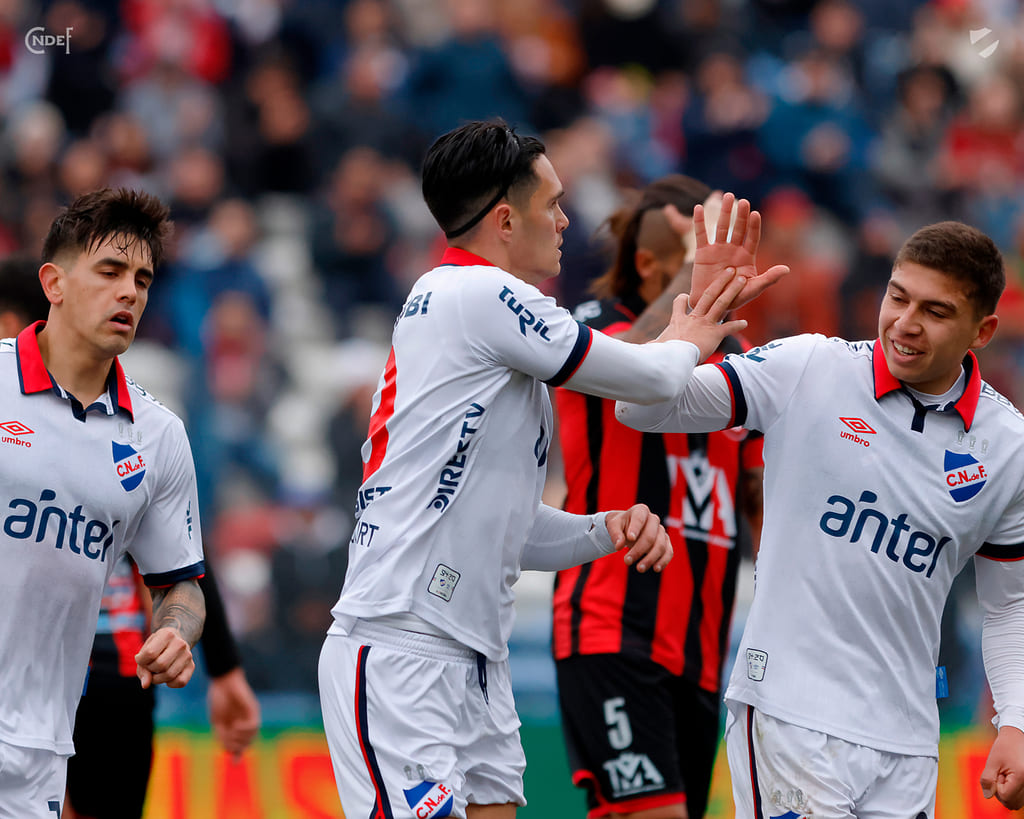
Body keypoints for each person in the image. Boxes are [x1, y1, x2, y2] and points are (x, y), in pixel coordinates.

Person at [317, 119, 784, 819]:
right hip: (401, 643)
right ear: (506, 220)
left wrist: (608, 529)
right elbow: (649, 377)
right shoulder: (476, 295)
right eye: (554, 203)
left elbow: (511, 526)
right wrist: (695, 322)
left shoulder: (487, 331)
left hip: (476, 657)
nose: (568, 219)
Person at [616, 204, 1024, 815]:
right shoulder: (808, 366)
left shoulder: (1010, 446)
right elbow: (639, 411)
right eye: (898, 298)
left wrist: (1015, 721)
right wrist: (695, 325)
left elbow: (1011, 602)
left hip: (909, 742)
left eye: (935, 312)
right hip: (788, 715)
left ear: (982, 331)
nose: (905, 324)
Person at [1, 240, 261, 819]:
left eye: (142, 279)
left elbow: (181, 569)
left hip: (101, 684)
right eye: (111, 272)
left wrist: (201, 649)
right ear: (54, 287)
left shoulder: (155, 434)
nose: (129, 292)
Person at [552, 175, 764, 819]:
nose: (714, 273)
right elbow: (633, 376)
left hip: (702, 651)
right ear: (647, 265)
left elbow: (759, 489)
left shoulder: (739, 359)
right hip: (611, 627)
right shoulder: (590, 330)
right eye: (694, 257)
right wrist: (692, 284)